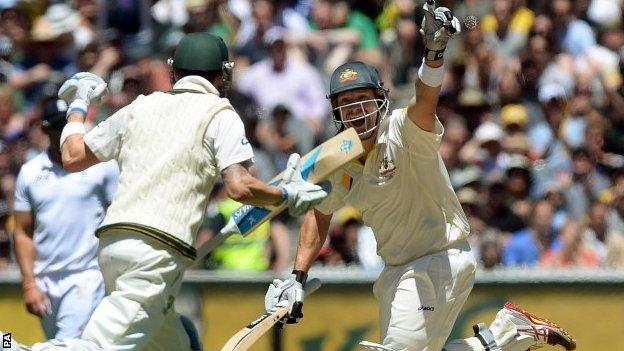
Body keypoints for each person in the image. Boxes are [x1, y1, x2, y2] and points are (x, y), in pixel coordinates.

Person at [263, 2, 576, 351]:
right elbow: (319, 213)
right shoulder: (338, 159)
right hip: (396, 272)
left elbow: (426, 100)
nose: (356, 115)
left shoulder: (402, 129)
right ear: (335, 113)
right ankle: (504, 336)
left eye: (363, 103)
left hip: (438, 259)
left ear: (380, 102)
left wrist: (435, 53)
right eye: (346, 106)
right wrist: (297, 276)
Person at [1, 32, 327, 350]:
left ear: (173, 71)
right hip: (156, 252)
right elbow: (239, 186)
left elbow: (72, 156)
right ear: (223, 74)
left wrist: (78, 104)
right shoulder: (220, 113)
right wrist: (286, 196)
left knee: (173, 339)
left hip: (113, 246)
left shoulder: (140, 106)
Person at [12, 98, 117, 341]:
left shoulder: (102, 166)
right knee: (59, 343)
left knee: (66, 344)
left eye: (69, 125)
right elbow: (22, 232)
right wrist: (29, 283)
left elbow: (120, 214)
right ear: (46, 129)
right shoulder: (30, 173)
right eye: (59, 126)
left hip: (87, 276)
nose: (65, 132)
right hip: (45, 280)